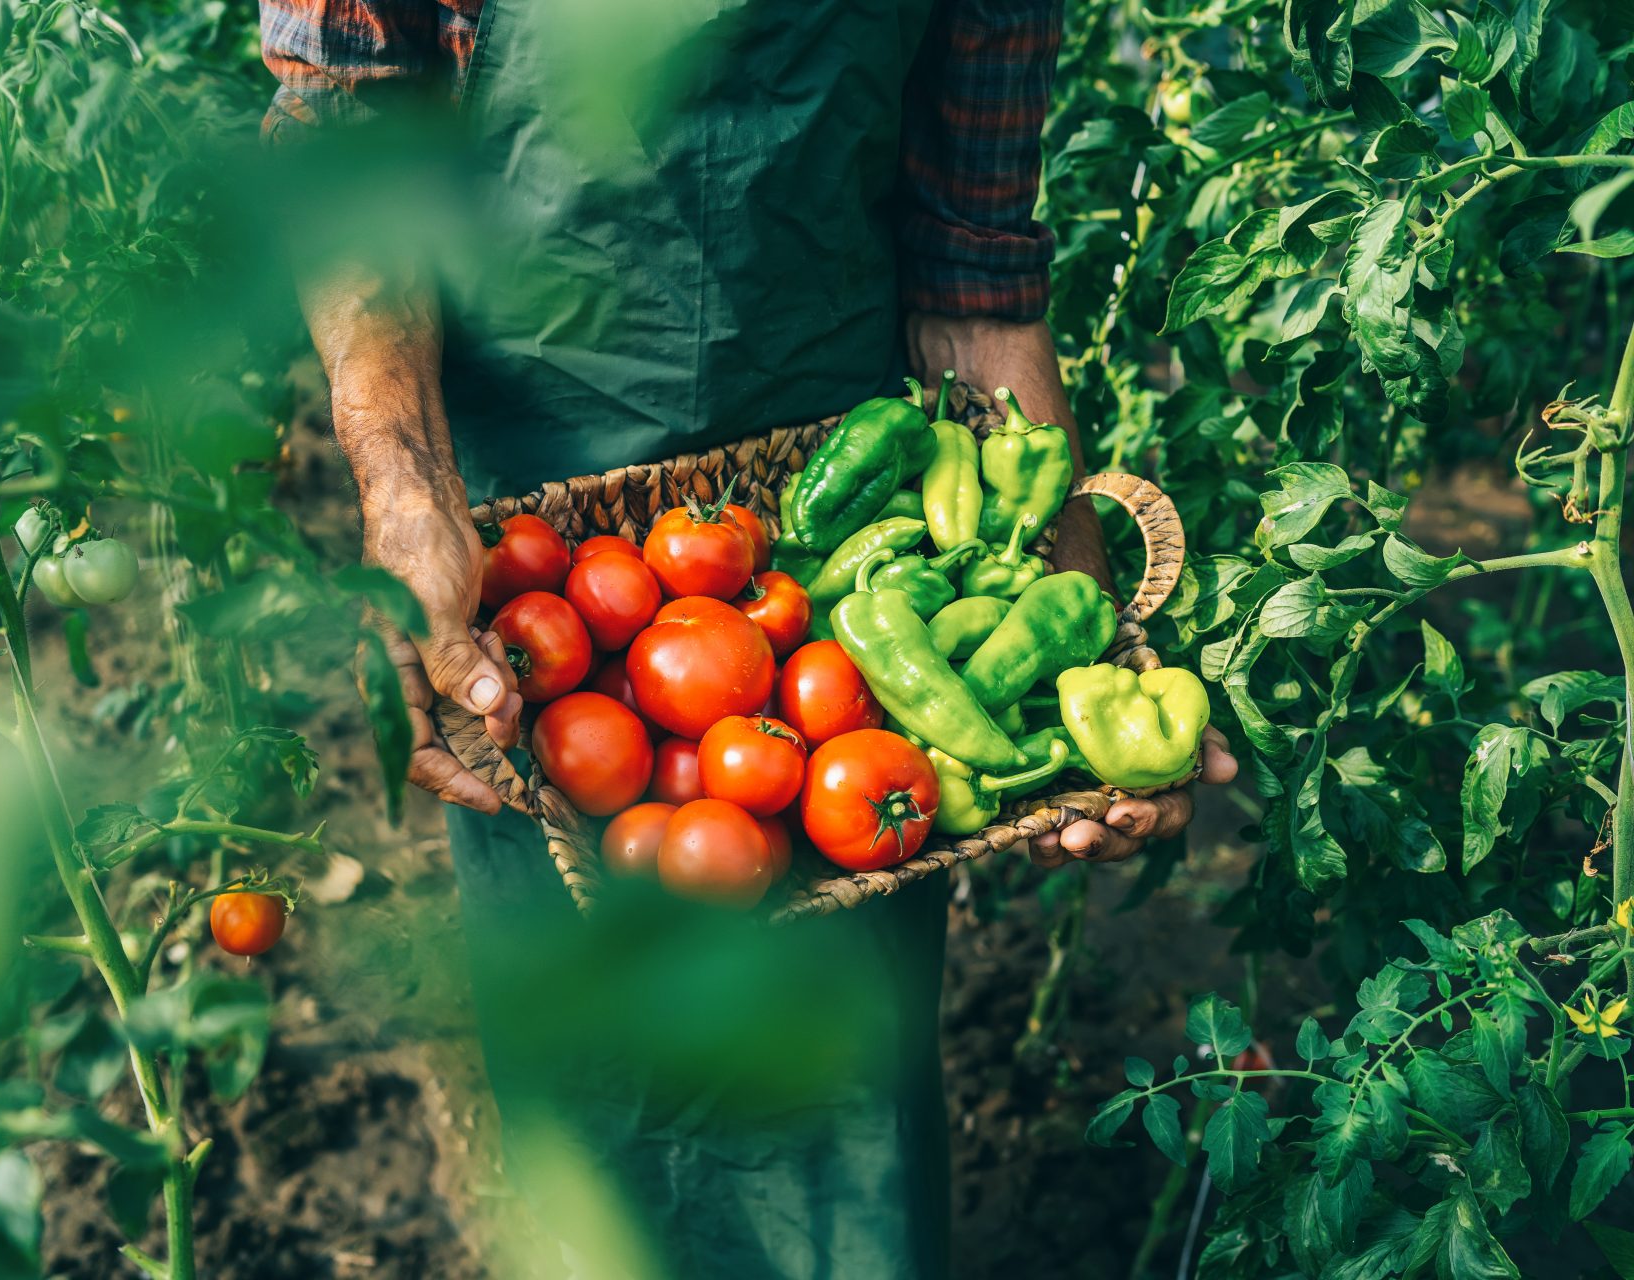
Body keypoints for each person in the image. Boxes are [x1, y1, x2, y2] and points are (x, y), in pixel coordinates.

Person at [261, 1, 1237, 1274]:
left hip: (822, 530)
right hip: (535, 532)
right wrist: (404, 494)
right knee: (588, 1014)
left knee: (832, 1064)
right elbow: (345, 134)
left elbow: (975, 257)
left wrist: (1074, 630)